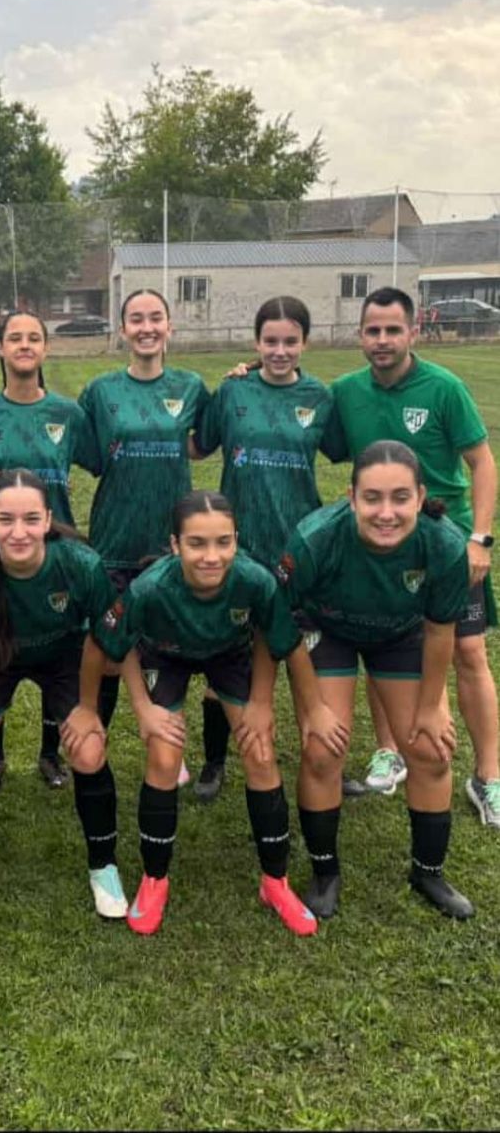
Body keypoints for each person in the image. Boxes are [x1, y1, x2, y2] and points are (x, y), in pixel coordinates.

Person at [79, 490, 336, 938]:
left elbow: (280, 640)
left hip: (229, 655)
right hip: (165, 656)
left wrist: (263, 703)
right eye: (197, 543)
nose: (211, 556)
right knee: (164, 756)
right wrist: (141, 708)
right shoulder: (150, 588)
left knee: (260, 753)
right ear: (175, 545)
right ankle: (155, 879)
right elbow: (105, 645)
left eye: (223, 542)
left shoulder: (255, 581)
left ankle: (275, 883)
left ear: (237, 540)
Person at [278, 440, 475, 919]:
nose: (386, 513)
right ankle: (325, 872)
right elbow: (281, 624)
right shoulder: (314, 539)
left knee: (430, 750)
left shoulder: (446, 545)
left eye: (400, 497)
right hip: (326, 630)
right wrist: (313, 708)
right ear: (351, 497)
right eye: (372, 498)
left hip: (400, 635)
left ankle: (428, 872)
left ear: (420, 496)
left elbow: (440, 631)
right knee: (323, 749)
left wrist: (431, 707)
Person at [326, 287, 498, 828]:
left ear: (413, 332)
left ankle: (488, 776)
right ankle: (389, 750)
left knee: (468, 651)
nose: (382, 340)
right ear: (360, 335)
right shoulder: (346, 392)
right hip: (378, 542)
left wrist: (480, 539)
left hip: (448, 542)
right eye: (373, 330)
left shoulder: (443, 387)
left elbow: (482, 462)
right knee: (382, 637)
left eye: (393, 330)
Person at [0, 469, 126, 921]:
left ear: (48, 520)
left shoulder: (79, 563)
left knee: (89, 752)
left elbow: (101, 639)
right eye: (5, 519)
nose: (18, 532)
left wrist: (87, 708)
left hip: (62, 658)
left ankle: (104, 866)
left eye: (30, 519)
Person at [194, 296, 341, 802]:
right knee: (228, 653)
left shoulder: (320, 397)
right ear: (256, 343)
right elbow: (200, 443)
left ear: (305, 343)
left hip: (300, 545)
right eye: (270, 341)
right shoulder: (232, 390)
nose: (280, 351)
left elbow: (345, 449)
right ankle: (215, 761)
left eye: (290, 341)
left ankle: (321, 753)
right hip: (238, 543)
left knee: (304, 655)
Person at [77, 288, 211, 788]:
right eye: (137, 319)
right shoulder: (100, 391)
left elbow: (202, 444)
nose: (147, 327)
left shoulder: (191, 386)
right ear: (123, 329)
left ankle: (169, 745)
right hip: (115, 536)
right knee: (111, 650)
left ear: (169, 327)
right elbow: (89, 454)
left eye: (156, 317)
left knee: (164, 645)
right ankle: (96, 737)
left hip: (170, 541)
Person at [0, 310, 97, 792]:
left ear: (45, 348)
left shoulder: (68, 414)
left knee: (56, 645)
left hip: (54, 553)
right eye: (14, 338)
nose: (24, 345)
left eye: (34, 338)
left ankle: (49, 753)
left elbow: (97, 460)